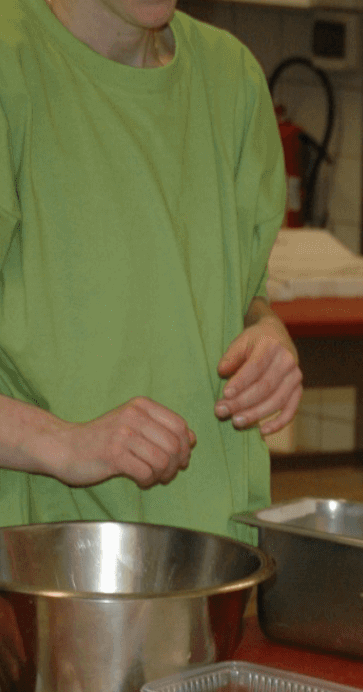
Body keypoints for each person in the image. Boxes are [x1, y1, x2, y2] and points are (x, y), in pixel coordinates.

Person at [0, 0, 299, 538]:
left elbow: (235, 296)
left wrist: (266, 333)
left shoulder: (231, 77)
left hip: (211, 545)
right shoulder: (12, 63)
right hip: (38, 552)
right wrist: (62, 443)